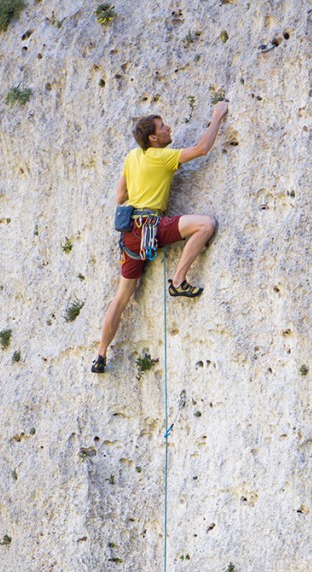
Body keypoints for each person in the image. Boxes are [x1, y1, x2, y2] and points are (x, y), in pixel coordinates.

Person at [91, 100, 229, 373]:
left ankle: (100, 354)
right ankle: (178, 280)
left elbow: (121, 196)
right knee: (205, 225)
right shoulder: (162, 157)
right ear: (154, 138)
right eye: (163, 127)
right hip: (152, 227)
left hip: (130, 234)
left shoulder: (133, 157)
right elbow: (202, 149)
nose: (169, 128)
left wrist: (144, 183)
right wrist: (217, 116)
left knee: (120, 298)